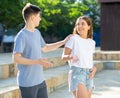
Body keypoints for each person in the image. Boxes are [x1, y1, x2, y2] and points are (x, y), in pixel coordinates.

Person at [13, 3, 71, 98]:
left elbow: (45, 48)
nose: (40, 19)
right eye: (39, 16)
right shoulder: (21, 36)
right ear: (32, 17)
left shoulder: (36, 32)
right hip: (27, 83)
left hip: (40, 80)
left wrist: (63, 42)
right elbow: (16, 58)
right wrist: (37, 61)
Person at [62, 16, 97, 98]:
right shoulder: (73, 39)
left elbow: (88, 60)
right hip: (77, 73)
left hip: (89, 74)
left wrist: (94, 69)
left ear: (89, 27)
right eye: (78, 24)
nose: (79, 26)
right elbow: (63, 57)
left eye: (83, 24)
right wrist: (70, 57)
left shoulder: (92, 42)